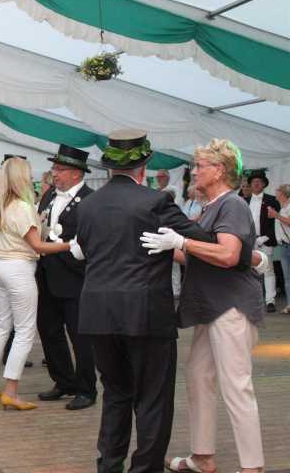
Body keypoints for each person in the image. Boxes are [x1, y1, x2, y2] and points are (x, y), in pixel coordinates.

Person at [76, 129, 214, 473]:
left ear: (110, 167)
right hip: (145, 312)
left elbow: (87, 251)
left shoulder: (88, 205)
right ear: (144, 167)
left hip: (97, 313)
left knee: (115, 394)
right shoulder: (156, 202)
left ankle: (109, 466)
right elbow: (201, 240)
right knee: (153, 399)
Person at [142, 139, 266, 473]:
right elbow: (196, 256)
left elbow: (228, 255)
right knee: (198, 376)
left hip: (231, 306)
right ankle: (202, 457)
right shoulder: (210, 207)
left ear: (219, 170)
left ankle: (253, 467)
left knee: (236, 386)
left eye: (199, 166)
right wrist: (165, 246)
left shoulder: (232, 205)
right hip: (210, 308)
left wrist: (182, 241)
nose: (194, 172)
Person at [0, 157, 72, 410]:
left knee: (1, 324)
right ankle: (11, 391)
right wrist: (70, 245)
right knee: (24, 331)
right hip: (18, 269)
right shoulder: (22, 206)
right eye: (29, 175)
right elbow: (38, 246)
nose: (32, 178)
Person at [35, 144, 97, 411]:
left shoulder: (90, 200)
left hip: (75, 277)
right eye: (54, 168)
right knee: (49, 330)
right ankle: (63, 381)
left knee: (80, 336)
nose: (55, 173)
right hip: (47, 275)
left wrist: (63, 248)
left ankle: (86, 388)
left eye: (59, 169)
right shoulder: (49, 195)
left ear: (76, 173)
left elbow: (91, 240)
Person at [243, 169, 280, 312]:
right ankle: (253, 300)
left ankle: (270, 301)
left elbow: (275, 222)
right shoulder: (244, 201)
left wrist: (266, 237)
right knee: (250, 271)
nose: (256, 184)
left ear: (264, 184)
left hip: (265, 240)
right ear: (250, 185)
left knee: (268, 270)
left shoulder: (272, 200)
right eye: (254, 182)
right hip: (249, 241)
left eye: (259, 182)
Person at [268, 184, 290, 313]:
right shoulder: (283, 207)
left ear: (283, 194)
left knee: (288, 278)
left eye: (277, 191)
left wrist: (276, 215)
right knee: (287, 278)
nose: (275, 193)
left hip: (288, 245)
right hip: (283, 246)